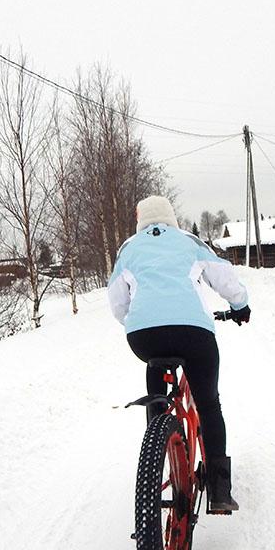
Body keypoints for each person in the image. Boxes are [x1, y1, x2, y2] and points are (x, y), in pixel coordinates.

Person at [108, 195, 250, 512]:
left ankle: (156, 447)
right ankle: (219, 491)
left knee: (156, 383)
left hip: (145, 338)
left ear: (139, 218)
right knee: (208, 403)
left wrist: (136, 321)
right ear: (171, 217)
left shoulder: (128, 249)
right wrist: (240, 306)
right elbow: (224, 278)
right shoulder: (189, 241)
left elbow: (118, 302)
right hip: (194, 334)